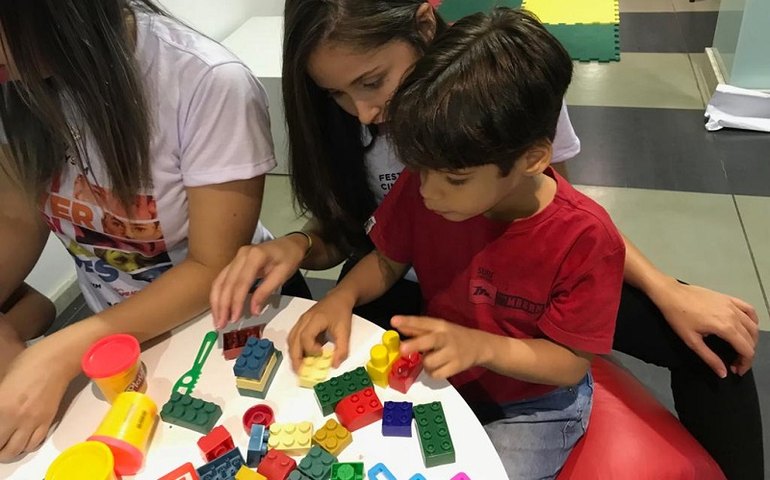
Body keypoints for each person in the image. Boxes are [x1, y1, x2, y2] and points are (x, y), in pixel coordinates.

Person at [210, 1, 762, 477]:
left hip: (527, 375)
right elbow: (377, 250)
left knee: (713, 346)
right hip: (442, 313)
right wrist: (332, 284)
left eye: (373, 81)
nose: (365, 112)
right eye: (336, 93)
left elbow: (571, 230)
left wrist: (664, 288)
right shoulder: (423, 181)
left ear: (424, 28)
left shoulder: (508, 102)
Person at [291, 9, 624, 477]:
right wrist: (342, 295)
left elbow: (569, 363)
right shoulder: (426, 183)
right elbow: (387, 260)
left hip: (535, 406)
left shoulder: (585, 238)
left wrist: (478, 346)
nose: (429, 192)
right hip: (446, 377)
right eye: (420, 169)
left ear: (531, 158)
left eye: (455, 178)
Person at [0, 0, 308, 461]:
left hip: (225, 323)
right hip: (113, 343)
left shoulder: (204, 81)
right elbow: (18, 219)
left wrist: (53, 355)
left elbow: (211, 266)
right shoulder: (17, 85)